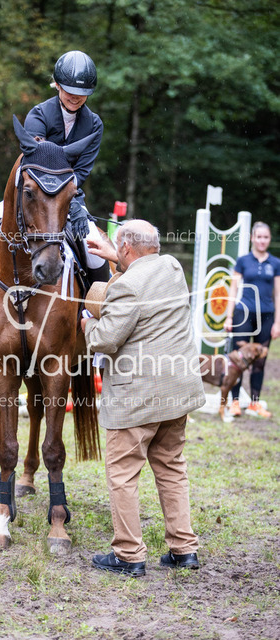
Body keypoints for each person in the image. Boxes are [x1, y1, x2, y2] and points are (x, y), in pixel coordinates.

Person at [0, 50, 109, 343]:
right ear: (57, 85)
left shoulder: (94, 124)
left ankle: (98, 317)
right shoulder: (39, 115)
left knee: (97, 256)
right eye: (69, 90)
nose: (75, 97)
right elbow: (35, 161)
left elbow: (82, 170)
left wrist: (74, 204)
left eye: (82, 93)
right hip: (29, 199)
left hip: (67, 200)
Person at [81, 220, 205, 577]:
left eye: (120, 249)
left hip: (137, 398)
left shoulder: (126, 286)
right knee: (171, 469)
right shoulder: (172, 267)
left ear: (126, 248)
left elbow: (105, 340)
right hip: (177, 392)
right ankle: (184, 549)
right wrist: (117, 257)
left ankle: (128, 554)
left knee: (122, 474)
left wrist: (87, 323)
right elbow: (142, 269)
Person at [224, 221, 280, 418]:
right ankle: (235, 402)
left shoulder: (275, 263)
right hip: (243, 315)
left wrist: (277, 322)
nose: (262, 240)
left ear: (269, 239)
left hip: (267, 316)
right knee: (237, 360)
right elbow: (233, 289)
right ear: (252, 238)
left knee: (260, 361)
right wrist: (229, 316)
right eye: (259, 237)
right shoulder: (242, 261)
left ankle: (255, 403)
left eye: (266, 237)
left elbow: (278, 294)